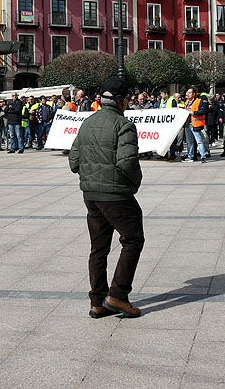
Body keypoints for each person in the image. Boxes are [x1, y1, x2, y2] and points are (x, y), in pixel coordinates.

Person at [68, 77, 144, 319]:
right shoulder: (124, 125)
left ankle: (97, 301)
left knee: (98, 248)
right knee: (132, 240)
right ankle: (118, 295)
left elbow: (73, 161)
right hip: (116, 194)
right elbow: (127, 162)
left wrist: (90, 177)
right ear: (122, 101)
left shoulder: (87, 123)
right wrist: (134, 182)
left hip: (90, 195)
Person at [183, 87, 209, 163]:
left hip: (195, 124)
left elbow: (203, 111)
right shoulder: (187, 102)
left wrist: (193, 113)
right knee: (189, 141)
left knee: (199, 141)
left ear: (194, 94)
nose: (188, 94)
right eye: (187, 92)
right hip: (188, 124)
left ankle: (203, 156)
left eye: (190, 92)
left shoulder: (199, 101)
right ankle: (190, 156)